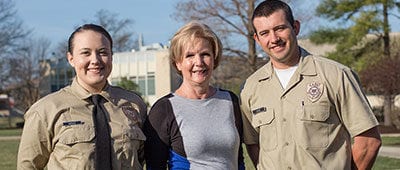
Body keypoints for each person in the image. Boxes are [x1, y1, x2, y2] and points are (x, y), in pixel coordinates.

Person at [240, 0, 382, 169]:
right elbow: (253, 144)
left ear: (296, 27)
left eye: (280, 28)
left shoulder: (335, 75)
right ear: (257, 38)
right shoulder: (251, 87)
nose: (274, 39)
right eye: (264, 33)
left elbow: (368, 141)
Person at [17, 24, 147, 170]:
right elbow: (28, 167)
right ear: (71, 58)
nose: (95, 60)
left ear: (111, 56)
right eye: (86, 53)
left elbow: (142, 158)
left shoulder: (134, 105)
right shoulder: (45, 110)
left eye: (103, 52)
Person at [143, 21, 245, 170]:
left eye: (205, 54)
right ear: (178, 63)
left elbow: (239, 160)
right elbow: (154, 166)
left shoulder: (230, 100)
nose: (199, 62)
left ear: (214, 59)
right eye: (190, 55)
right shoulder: (164, 109)